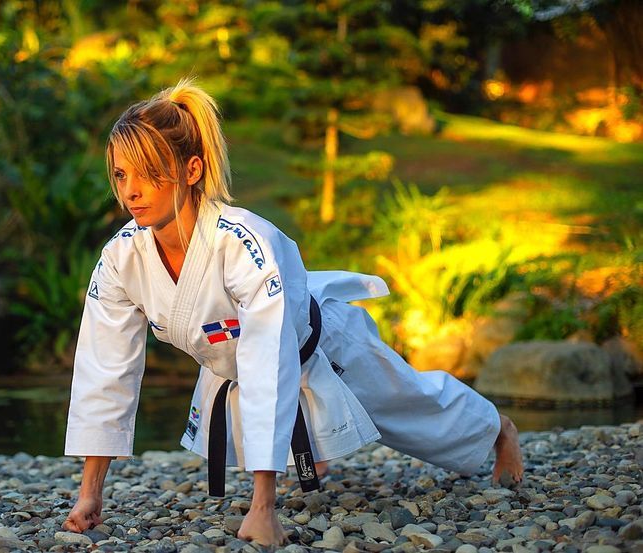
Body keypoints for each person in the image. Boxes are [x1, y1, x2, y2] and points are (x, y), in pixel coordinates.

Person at [60, 78, 523, 546]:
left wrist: (264, 509)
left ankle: (498, 429)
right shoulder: (120, 258)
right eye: (121, 175)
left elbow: (270, 361)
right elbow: (106, 370)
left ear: (192, 169)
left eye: (148, 174)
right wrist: (89, 494)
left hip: (324, 346)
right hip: (231, 365)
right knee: (271, 405)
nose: (131, 191)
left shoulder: (243, 244)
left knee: (415, 405)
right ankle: (315, 451)